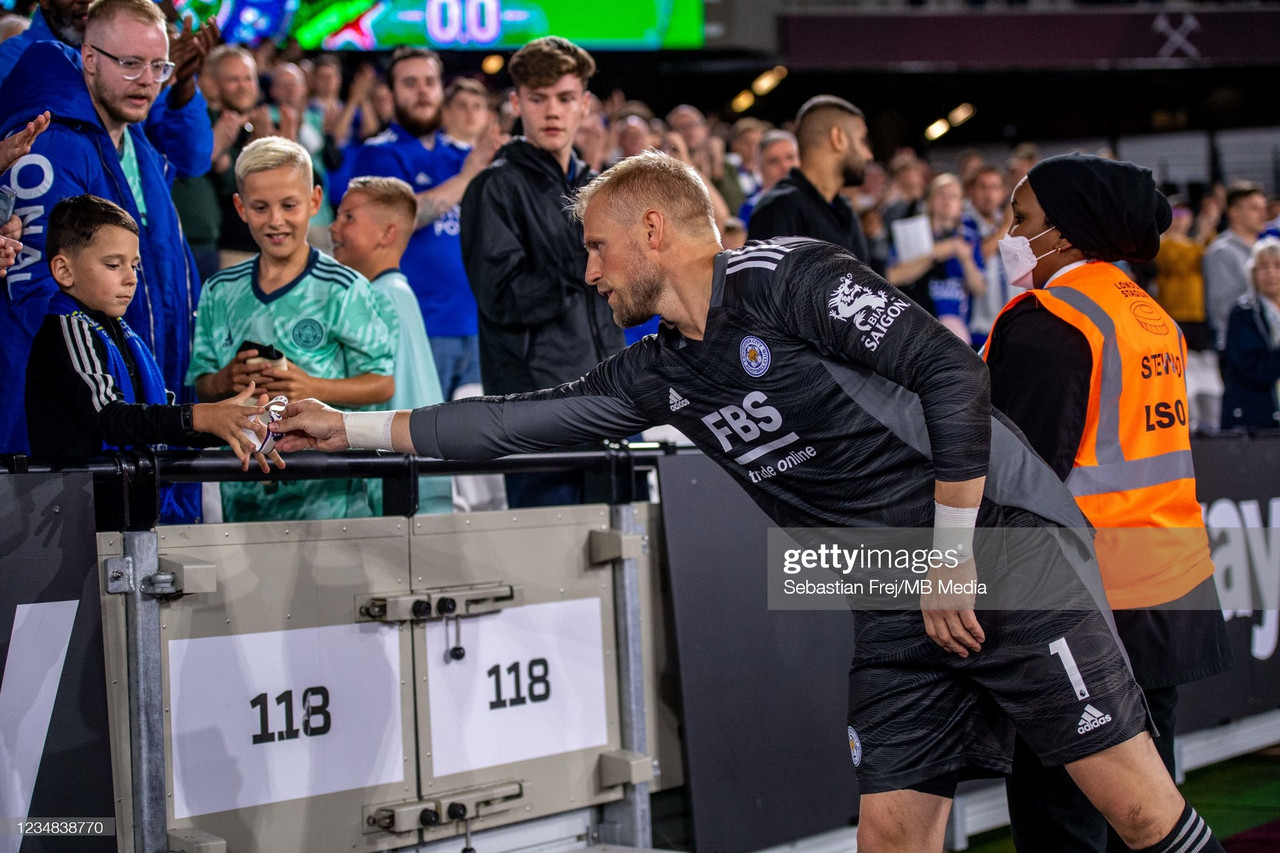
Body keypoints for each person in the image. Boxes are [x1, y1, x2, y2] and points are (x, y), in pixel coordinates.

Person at [273, 150, 1227, 853]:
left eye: (600, 248)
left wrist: (947, 553)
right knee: (893, 837)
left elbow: (951, 376)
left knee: (1140, 813)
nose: (591, 272)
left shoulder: (788, 275)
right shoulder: (662, 368)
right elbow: (520, 422)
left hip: (997, 550)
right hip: (885, 583)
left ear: (655, 229)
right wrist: (350, 429)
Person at [983, 153, 1231, 853]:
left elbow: (1011, 480)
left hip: (1086, 609)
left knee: (1064, 822)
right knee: (1149, 820)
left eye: (1021, 217)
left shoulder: (1050, 320)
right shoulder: (1149, 313)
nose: (1007, 230)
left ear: (1061, 234)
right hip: (1170, 589)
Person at [0, 0, 205, 454]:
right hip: (76, 442)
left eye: (158, 66)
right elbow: (41, 309)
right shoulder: (49, 142)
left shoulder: (135, 143)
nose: (148, 81)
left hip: (131, 411)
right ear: (89, 59)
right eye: (130, 64)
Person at [25, 196, 281, 522]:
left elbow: (157, 414)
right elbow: (112, 417)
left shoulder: (119, 332)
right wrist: (198, 417)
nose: (131, 278)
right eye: (114, 265)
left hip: (126, 515)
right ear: (64, 270)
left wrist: (230, 424)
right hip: (77, 525)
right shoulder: (67, 331)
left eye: (134, 265)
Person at [186, 137, 394, 522]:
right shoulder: (218, 290)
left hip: (328, 498)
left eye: (289, 205)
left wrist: (310, 388)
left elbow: (382, 384)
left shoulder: (344, 288)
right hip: (243, 493)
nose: (275, 220)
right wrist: (228, 379)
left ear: (315, 202)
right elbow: (202, 385)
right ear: (240, 207)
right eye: (260, 207)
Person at [459, 35, 624, 508]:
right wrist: (589, 262)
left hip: (608, 390)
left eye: (565, 98)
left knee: (622, 545)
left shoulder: (598, 189)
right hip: (536, 404)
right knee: (551, 552)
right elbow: (502, 298)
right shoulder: (495, 186)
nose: (552, 111)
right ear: (516, 103)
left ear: (584, 105)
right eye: (538, 99)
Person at [351, 47, 501, 402]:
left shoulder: (463, 155)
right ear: (390, 93)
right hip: (419, 326)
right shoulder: (378, 153)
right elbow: (400, 218)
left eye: (430, 82)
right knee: (421, 442)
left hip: (477, 327)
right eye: (410, 83)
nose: (422, 91)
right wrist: (467, 179)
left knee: (474, 447)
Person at [330, 175, 452, 513]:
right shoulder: (397, 292)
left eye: (348, 217)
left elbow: (381, 392)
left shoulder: (378, 297)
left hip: (398, 483)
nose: (332, 226)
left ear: (388, 233)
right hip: (420, 477)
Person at [747, 95, 871, 264]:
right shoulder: (779, 208)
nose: (868, 155)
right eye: (862, 140)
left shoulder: (844, 209)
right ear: (838, 138)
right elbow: (763, 288)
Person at [886, 173, 986, 342]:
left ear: (961, 205)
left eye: (953, 196)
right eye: (941, 195)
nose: (947, 201)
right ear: (930, 201)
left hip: (958, 328)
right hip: (915, 322)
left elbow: (980, 287)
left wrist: (966, 260)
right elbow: (892, 276)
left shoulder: (969, 237)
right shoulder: (912, 232)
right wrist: (935, 254)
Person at [1220, 237, 1280, 430]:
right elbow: (1253, 368)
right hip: (1256, 417)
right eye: (1263, 266)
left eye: (1277, 265)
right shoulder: (1244, 313)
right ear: (1253, 273)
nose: (1271, 272)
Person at [1205, 182, 1268, 350]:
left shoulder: (1265, 250)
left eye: (1263, 208)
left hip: (1266, 343)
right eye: (1254, 208)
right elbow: (1224, 308)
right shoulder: (1222, 251)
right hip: (1239, 345)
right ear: (1234, 212)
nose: (1263, 214)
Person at [737, 128, 798, 224]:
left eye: (790, 157)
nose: (785, 166)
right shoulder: (752, 209)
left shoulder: (818, 202)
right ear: (759, 168)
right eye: (774, 161)